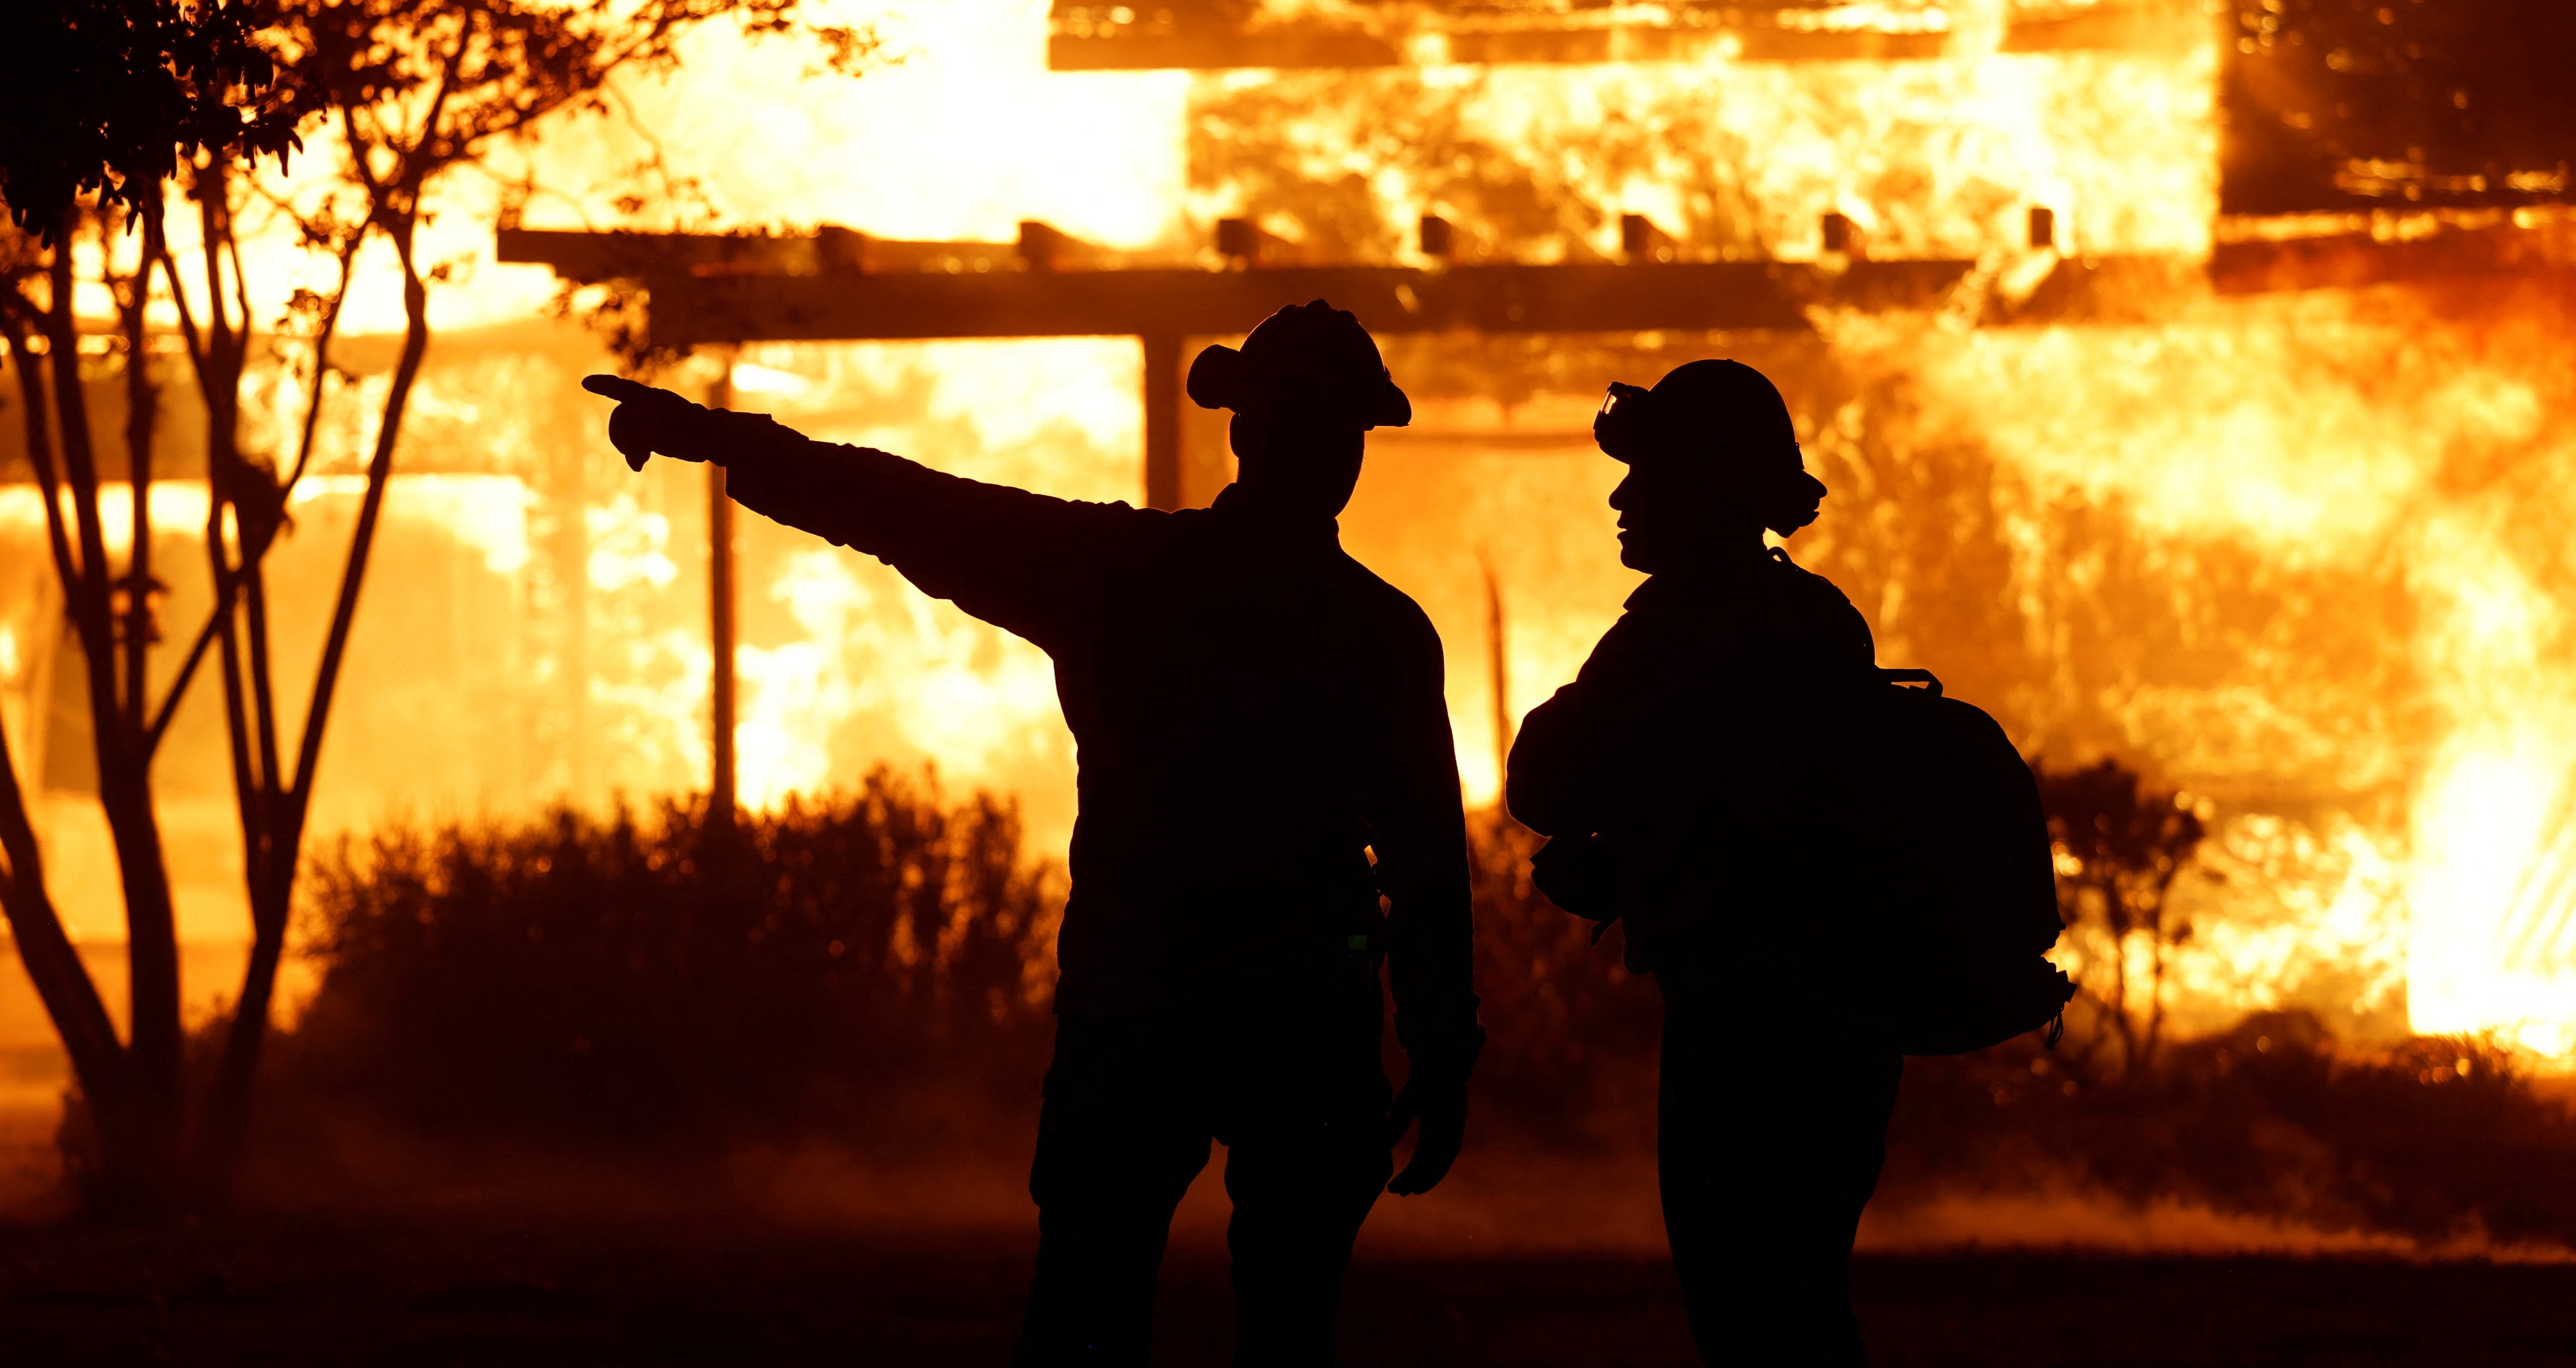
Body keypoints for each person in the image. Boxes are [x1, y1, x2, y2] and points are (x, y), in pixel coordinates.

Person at [585, 300, 1480, 1367]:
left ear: (1241, 428)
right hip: (1302, 1012)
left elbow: (910, 507)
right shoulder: (1379, 630)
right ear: (1350, 451)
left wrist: (732, 442)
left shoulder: (1121, 573)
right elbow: (1426, 864)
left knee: (1085, 1317)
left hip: (1137, 992)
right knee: (1289, 1326)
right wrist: (1439, 1045)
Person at [1504, 358, 1898, 1368]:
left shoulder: (1677, 631)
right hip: (1848, 1022)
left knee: (1744, 1312)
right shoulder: (1823, 619)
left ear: (1712, 490)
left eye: (1654, 477)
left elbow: (1544, 779)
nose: (1624, 498)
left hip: (1740, 1025)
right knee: (1807, 1303)